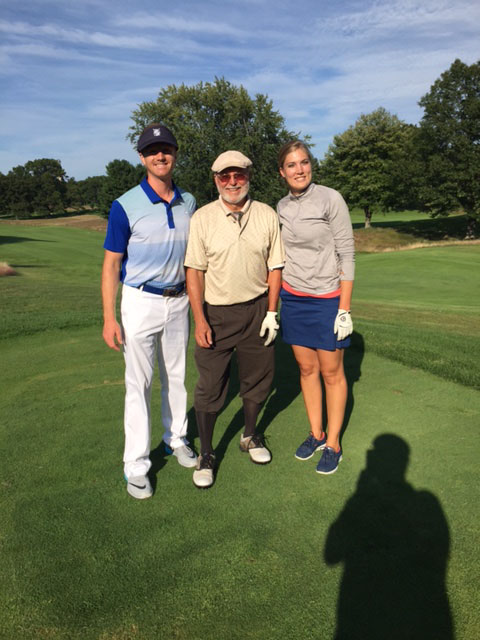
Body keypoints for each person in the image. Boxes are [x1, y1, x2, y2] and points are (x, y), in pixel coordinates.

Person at [102, 123, 198, 500]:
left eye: (167, 149)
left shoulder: (188, 202)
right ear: (142, 158)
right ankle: (136, 465)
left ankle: (176, 438)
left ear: (175, 154)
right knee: (138, 383)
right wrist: (110, 317)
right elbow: (111, 265)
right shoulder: (124, 205)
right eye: (153, 150)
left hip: (179, 301)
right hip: (139, 300)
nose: (161, 155)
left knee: (176, 376)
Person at [184, 150, 284, 489]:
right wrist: (199, 319)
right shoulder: (202, 218)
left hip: (257, 309)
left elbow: (275, 267)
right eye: (224, 176)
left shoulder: (266, 214)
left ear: (248, 176)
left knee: (258, 379)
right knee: (211, 386)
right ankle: (207, 453)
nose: (232, 182)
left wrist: (272, 311)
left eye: (238, 175)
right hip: (216, 312)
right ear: (215, 180)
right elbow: (194, 272)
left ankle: (251, 436)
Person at [277, 140, 355, 475]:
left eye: (304, 162)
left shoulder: (330, 198)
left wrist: (344, 308)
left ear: (311, 165)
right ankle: (316, 432)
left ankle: (333, 443)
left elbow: (347, 254)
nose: (299, 170)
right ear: (282, 172)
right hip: (293, 297)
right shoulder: (280, 206)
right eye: (292, 165)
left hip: (327, 299)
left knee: (331, 372)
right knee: (306, 370)